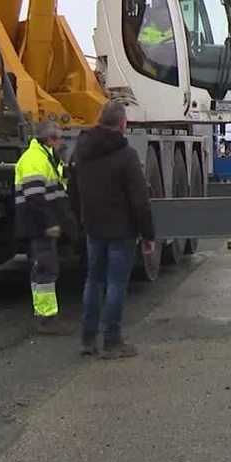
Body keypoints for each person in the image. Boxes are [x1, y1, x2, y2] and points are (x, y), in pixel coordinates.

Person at [72, 101, 156, 358]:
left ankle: (87, 339)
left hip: (93, 227)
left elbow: (73, 189)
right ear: (122, 124)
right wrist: (148, 235)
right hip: (122, 229)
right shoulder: (125, 154)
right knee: (116, 283)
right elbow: (139, 200)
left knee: (93, 280)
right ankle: (111, 340)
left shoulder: (81, 150)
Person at [14, 121, 76, 335]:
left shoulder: (44, 157)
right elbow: (35, 198)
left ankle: (45, 315)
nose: (61, 143)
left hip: (38, 224)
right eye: (59, 139)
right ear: (50, 139)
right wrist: (49, 223)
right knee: (45, 269)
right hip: (38, 226)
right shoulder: (34, 159)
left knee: (43, 269)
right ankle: (46, 318)